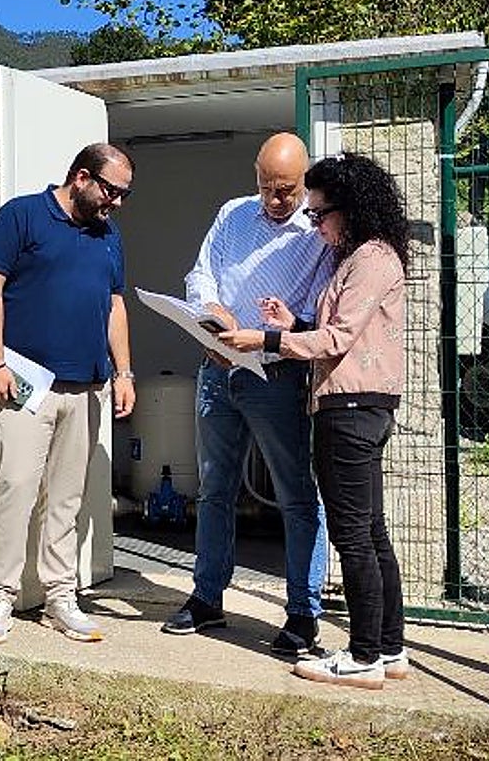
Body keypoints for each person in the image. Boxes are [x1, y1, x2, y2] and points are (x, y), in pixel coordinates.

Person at [220, 152, 409, 690]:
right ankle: (390, 649)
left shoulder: (371, 258)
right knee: (370, 531)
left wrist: (269, 338)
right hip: (356, 402)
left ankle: (364, 654)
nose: (314, 223)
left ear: (349, 210)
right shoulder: (362, 256)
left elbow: (337, 340)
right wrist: (295, 321)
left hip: (350, 408)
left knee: (353, 534)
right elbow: (337, 331)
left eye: (319, 213)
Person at [162, 132, 333, 655]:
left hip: (277, 375)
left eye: (287, 189)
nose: (277, 200)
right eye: (267, 188)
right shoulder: (233, 214)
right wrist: (212, 314)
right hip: (218, 369)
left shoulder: (318, 230)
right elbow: (201, 273)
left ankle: (304, 613)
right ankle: (207, 596)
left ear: (304, 181)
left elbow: (323, 310)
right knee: (215, 489)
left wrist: (284, 327)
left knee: (296, 495)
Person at [0, 143, 137, 644]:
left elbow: (114, 305)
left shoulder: (108, 235)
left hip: (86, 387)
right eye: (112, 191)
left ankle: (60, 596)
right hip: (24, 385)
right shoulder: (21, 216)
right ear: (82, 177)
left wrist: (124, 371)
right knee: (15, 488)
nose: (118, 204)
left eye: (125, 194)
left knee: (67, 499)